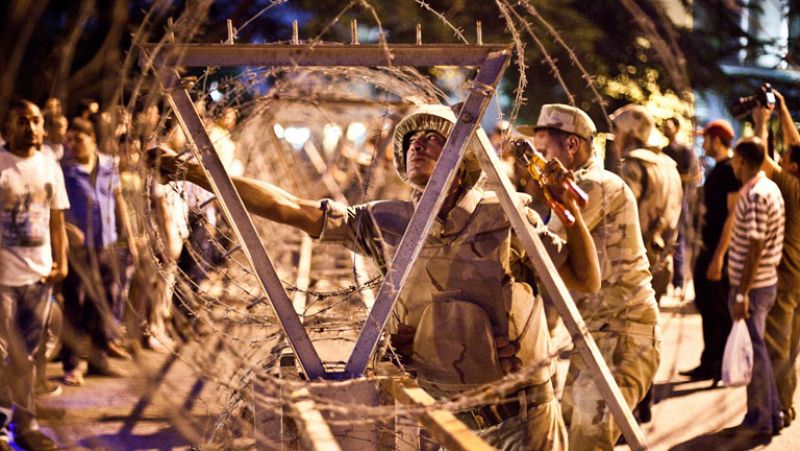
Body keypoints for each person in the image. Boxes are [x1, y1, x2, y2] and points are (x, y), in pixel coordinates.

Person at [151, 104, 602, 450]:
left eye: (433, 139)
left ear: (462, 160)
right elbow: (292, 208)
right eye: (410, 141)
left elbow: (585, 279)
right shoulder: (388, 222)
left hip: (519, 416)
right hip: (437, 411)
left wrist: (570, 212)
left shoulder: (504, 215)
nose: (417, 145)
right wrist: (195, 172)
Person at [522, 104, 659, 447]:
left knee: (587, 442)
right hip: (601, 331)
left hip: (623, 333)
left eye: (542, 154)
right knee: (572, 437)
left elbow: (545, 252)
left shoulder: (591, 184)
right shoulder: (579, 185)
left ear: (571, 146)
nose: (536, 165)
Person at [0, 99, 66, 451]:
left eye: (37, 121)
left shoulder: (49, 164)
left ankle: (26, 425)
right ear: (8, 128)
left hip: (38, 275)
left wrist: (62, 261)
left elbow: (57, 216)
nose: (31, 128)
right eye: (22, 121)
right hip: (3, 278)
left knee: (25, 355)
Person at [60, 118, 135, 385]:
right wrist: (66, 228)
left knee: (105, 302)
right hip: (79, 249)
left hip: (107, 243)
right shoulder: (64, 170)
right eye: (70, 140)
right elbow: (56, 206)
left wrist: (129, 239)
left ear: (92, 139)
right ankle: (74, 363)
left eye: (79, 139)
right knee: (76, 304)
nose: (73, 145)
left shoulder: (108, 166)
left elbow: (118, 201)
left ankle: (98, 357)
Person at [727, 137, 784, 438]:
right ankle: (769, 414)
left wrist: (741, 292)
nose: (732, 164)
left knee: (755, 353)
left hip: (755, 286)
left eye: (735, 158)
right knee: (757, 351)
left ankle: (761, 418)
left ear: (744, 160)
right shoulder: (761, 189)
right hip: (759, 283)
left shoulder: (758, 194)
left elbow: (756, 244)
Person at [680, 120, 741, 382]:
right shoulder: (718, 169)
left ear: (717, 140)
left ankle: (718, 365)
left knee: (717, 310)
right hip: (708, 249)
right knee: (706, 305)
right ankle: (709, 362)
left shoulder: (729, 171)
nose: (703, 144)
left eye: (706, 139)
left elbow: (733, 216)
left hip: (718, 252)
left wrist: (719, 256)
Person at [752, 90, 800, 427]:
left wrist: (761, 121)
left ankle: (779, 407)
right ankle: (787, 404)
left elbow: (759, 158)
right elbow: (795, 146)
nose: (781, 162)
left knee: (777, 347)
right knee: (792, 347)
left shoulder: (790, 187)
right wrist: (783, 110)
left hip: (786, 281)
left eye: (785, 161)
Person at [613, 104, 683, 304]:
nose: (615, 138)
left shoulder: (633, 165)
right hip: (662, 261)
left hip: (633, 264)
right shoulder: (670, 166)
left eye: (617, 131)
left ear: (630, 133)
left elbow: (620, 215)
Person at [662, 117, 699, 296]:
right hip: (665, 201)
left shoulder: (685, 150)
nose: (665, 129)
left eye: (668, 127)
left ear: (676, 128)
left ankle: (678, 282)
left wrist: (674, 177)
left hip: (681, 201)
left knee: (679, 240)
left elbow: (695, 175)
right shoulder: (663, 150)